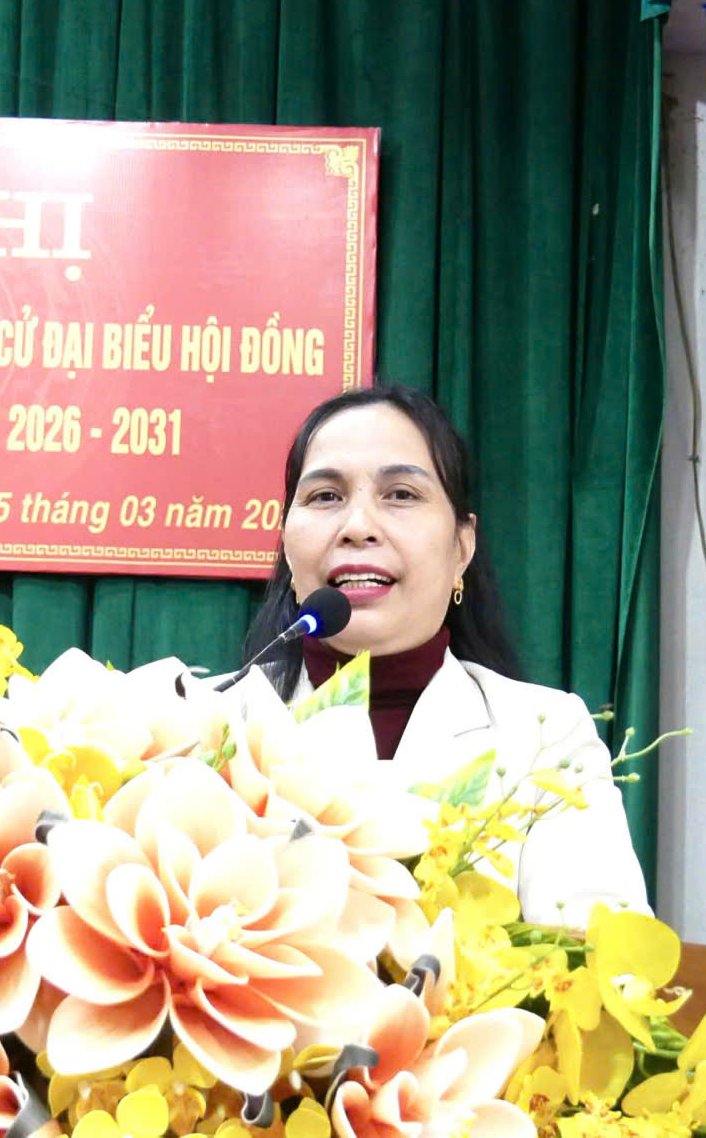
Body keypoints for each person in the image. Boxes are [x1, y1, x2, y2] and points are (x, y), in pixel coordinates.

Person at [243, 382, 650, 928]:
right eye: (325, 497)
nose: (357, 527)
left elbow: (604, 960)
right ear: (287, 547)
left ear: (462, 548)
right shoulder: (211, 726)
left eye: (400, 495)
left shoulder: (546, 736)